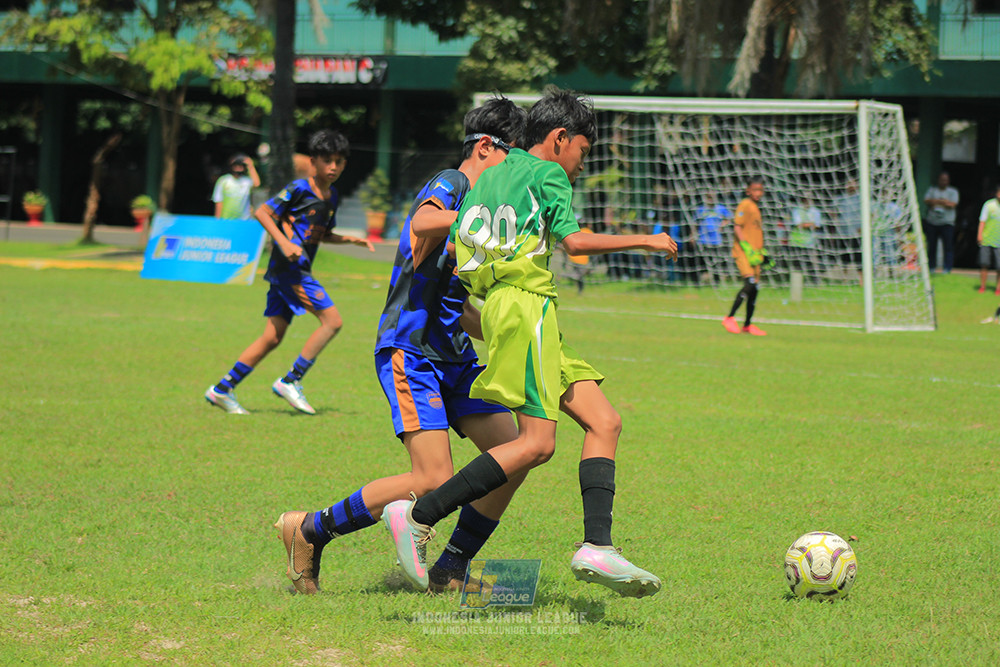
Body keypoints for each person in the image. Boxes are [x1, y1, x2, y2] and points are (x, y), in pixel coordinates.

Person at [381, 88, 677, 599]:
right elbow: (577, 244)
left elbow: (461, 246)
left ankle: (598, 546)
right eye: (583, 149)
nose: (582, 162)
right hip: (526, 308)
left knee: (605, 420)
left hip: (510, 308)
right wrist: (646, 239)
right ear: (560, 139)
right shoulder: (548, 174)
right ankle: (418, 515)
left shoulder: (493, 175)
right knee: (537, 444)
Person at [273, 98, 529, 594]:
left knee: (512, 457)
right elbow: (423, 223)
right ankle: (308, 529)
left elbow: (455, 305)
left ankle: (451, 568)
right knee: (433, 477)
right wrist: (473, 227)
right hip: (410, 353)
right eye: (511, 158)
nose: (514, 173)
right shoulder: (454, 185)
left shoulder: (480, 210)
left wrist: (503, 327)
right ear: (484, 146)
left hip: (454, 356)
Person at [204, 130, 373, 415]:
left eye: (339, 162)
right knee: (332, 321)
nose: (333, 167)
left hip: (292, 271)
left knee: (272, 337)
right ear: (313, 162)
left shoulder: (332, 197)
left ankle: (222, 389)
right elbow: (262, 213)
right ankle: (290, 381)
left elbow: (320, 234)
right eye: (327, 161)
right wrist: (283, 243)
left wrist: (350, 240)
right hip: (290, 271)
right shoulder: (298, 189)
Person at [722, 177, 771, 336]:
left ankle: (747, 325)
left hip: (755, 255)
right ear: (748, 190)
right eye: (755, 189)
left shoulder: (756, 207)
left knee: (754, 289)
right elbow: (737, 226)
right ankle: (729, 317)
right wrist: (745, 246)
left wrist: (762, 253)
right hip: (744, 252)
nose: (758, 193)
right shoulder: (745, 204)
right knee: (749, 282)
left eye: (760, 190)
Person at [923, 171, 959, 273]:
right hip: (932, 222)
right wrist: (943, 202)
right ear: (938, 180)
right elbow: (926, 200)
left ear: (948, 181)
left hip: (947, 223)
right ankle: (931, 268)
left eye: (945, 180)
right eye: (942, 179)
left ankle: (947, 269)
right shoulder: (932, 190)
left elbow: (952, 204)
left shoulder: (953, 192)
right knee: (932, 246)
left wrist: (937, 202)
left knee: (948, 247)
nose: (943, 181)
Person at [694, 192, 732, 284]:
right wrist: (693, 235)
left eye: (712, 197)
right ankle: (699, 282)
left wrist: (723, 224)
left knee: (716, 263)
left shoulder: (721, 208)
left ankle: (716, 282)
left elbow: (730, 218)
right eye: (708, 197)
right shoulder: (700, 209)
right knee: (701, 262)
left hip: (716, 240)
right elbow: (695, 223)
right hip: (703, 239)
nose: (710, 199)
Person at [212, 153, 260, 220]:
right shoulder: (223, 180)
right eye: (236, 165)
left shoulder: (246, 181)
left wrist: (250, 166)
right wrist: (217, 220)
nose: (238, 167)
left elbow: (257, 183)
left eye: (241, 165)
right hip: (226, 220)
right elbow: (219, 202)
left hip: (244, 220)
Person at [788, 194, 822, 282]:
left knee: (811, 263)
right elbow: (799, 224)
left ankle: (814, 282)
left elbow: (817, 225)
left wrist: (806, 224)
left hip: (810, 242)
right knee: (797, 263)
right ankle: (797, 281)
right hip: (797, 241)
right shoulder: (797, 210)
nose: (807, 201)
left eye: (809, 199)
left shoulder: (816, 211)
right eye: (805, 199)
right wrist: (810, 224)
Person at [977, 183, 1000, 294]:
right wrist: (980, 235)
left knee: (999, 266)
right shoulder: (989, 205)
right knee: (984, 263)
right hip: (987, 239)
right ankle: (982, 286)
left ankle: (998, 289)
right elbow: (982, 221)